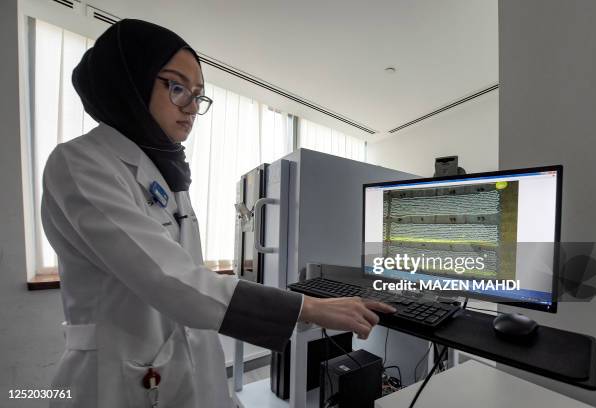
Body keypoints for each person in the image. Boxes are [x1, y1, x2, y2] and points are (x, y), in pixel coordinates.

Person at [41, 19, 395, 408]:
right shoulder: (79, 163)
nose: (192, 107)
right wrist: (309, 307)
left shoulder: (168, 177)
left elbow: (188, 283)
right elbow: (168, 279)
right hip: (111, 379)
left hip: (185, 369)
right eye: (177, 88)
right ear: (128, 81)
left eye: (197, 95)